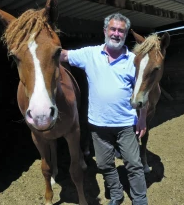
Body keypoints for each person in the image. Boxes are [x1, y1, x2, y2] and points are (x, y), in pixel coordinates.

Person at [60, 13, 148, 205]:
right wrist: (37, 44)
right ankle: (116, 196)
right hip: (98, 125)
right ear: (105, 31)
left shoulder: (134, 61)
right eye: (113, 29)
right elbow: (63, 55)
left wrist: (142, 119)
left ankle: (140, 200)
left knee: (133, 164)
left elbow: (143, 92)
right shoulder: (90, 54)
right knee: (104, 164)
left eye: (121, 31)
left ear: (125, 35)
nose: (116, 34)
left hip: (126, 123)